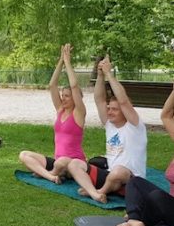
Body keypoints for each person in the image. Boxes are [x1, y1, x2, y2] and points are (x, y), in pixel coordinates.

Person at [67, 55, 147, 203]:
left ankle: (101, 191)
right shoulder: (110, 124)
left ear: (124, 111)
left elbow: (123, 100)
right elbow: (99, 99)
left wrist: (109, 74)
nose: (109, 112)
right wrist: (100, 75)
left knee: (118, 172)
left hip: (132, 181)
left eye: (114, 109)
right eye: (109, 108)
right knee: (73, 163)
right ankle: (95, 193)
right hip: (110, 176)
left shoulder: (135, 126)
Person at [19, 44, 86, 183]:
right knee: (24, 155)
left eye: (67, 96)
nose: (63, 98)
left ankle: (48, 173)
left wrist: (67, 62)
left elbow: (74, 85)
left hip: (73, 163)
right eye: (63, 95)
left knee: (60, 162)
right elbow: (52, 85)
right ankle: (51, 176)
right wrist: (61, 60)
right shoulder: (60, 110)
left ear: (75, 97)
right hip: (56, 160)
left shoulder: (79, 113)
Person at [116, 84, 174, 226]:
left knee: (157, 197)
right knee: (135, 181)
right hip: (170, 203)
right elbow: (166, 115)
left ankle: (142, 222)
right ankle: (135, 218)